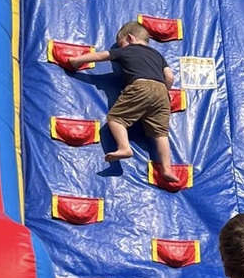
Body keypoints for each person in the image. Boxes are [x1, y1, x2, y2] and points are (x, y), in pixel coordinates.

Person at [65, 21, 178, 182]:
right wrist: (163, 90)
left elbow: (99, 56)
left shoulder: (128, 50)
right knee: (161, 134)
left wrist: (76, 61)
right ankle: (167, 168)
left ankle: (124, 147)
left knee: (115, 119)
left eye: (121, 43)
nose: (120, 47)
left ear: (130, 38)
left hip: (140, 86)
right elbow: (170, 77)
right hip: (162, 92)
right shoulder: (157, 55)